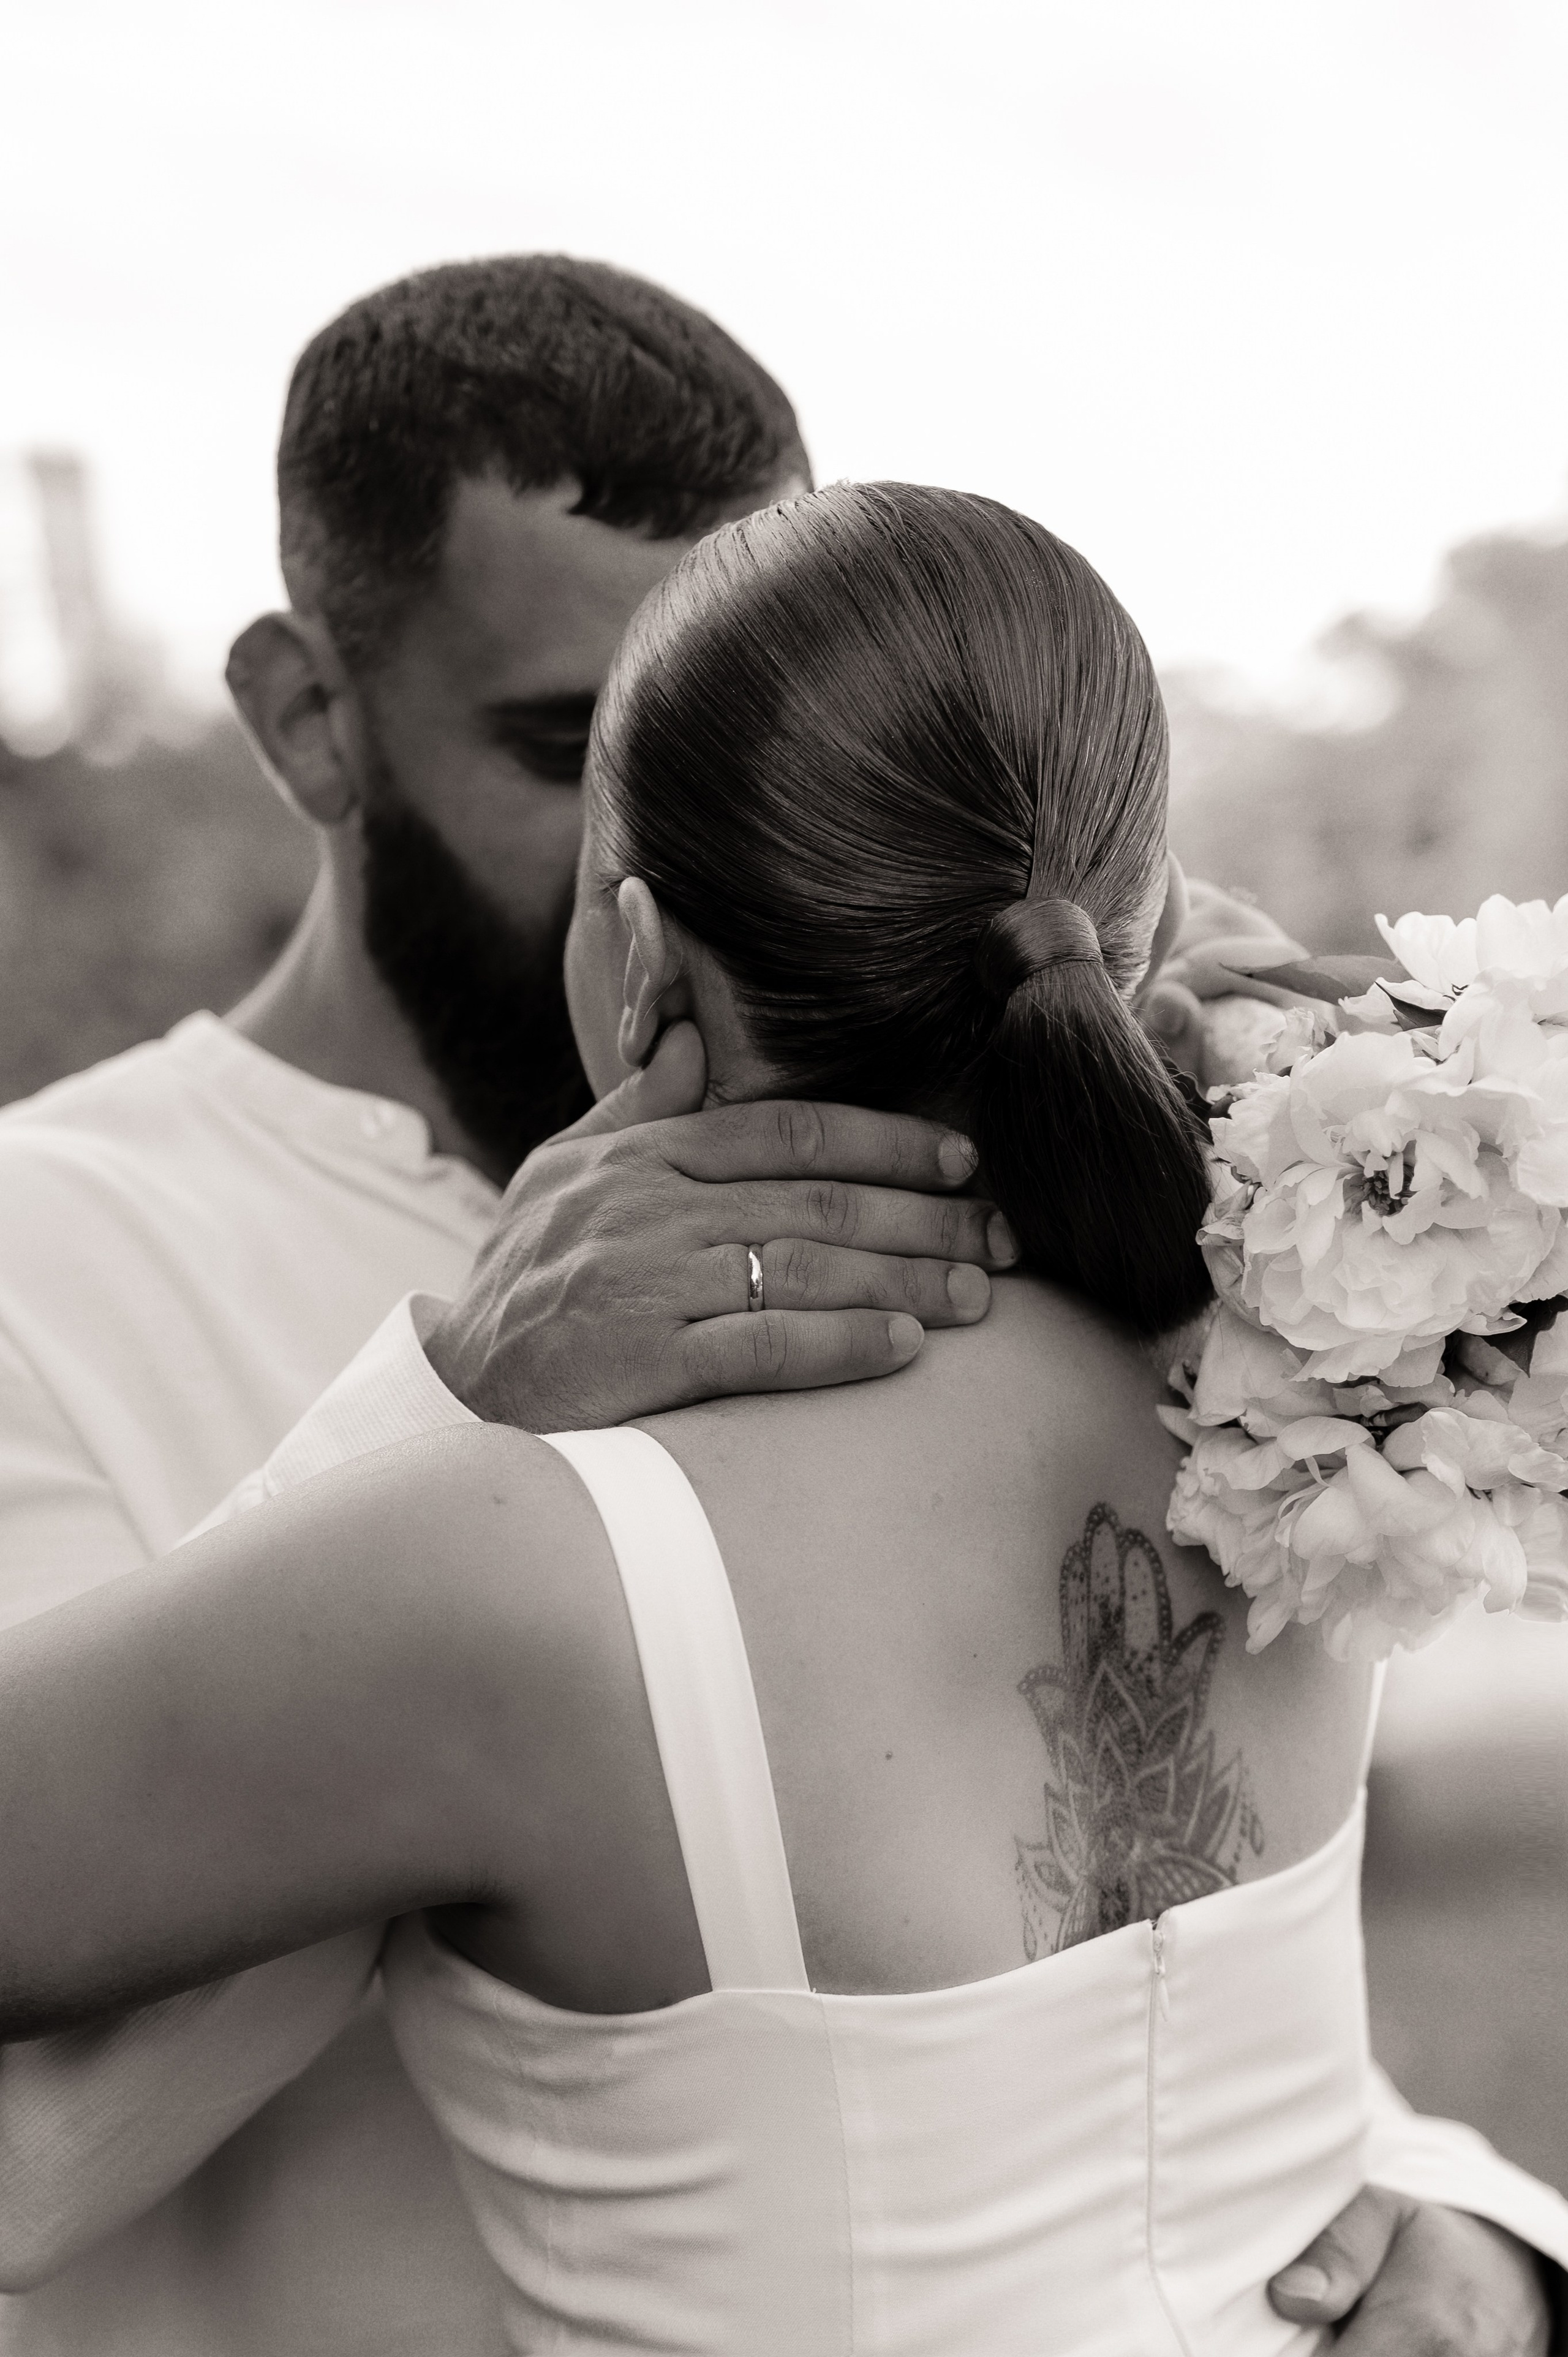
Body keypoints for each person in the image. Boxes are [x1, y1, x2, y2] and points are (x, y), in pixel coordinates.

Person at [0, 259, 1554, 2357]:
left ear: (636, 959)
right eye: (545, 732)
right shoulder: (1297, 1361)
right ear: (307, 715)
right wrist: (452, 1396)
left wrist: (1487, 2250)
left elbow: (1208, 2074)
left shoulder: (502, 1556)